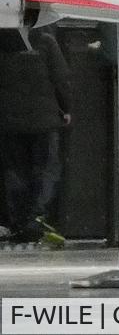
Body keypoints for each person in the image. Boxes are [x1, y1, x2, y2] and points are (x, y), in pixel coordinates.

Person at [0, 29, 72, 248]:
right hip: (44, 120)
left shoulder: (3, 41)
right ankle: (37, 219)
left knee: (15, 171)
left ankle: (19, 222)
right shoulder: (45, 41)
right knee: (46, 170)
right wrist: (66, 108)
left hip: (9, 119)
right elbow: (61, 79)